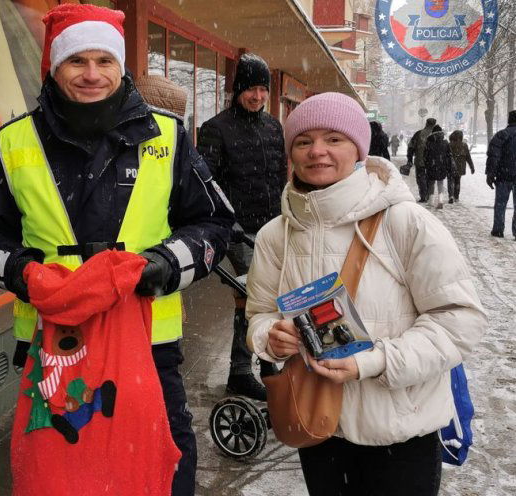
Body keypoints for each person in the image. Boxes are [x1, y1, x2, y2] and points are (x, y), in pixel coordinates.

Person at [0, 4, 234, 494]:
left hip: (147, 345)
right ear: (56, 67)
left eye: (104, 61)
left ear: (120, 66)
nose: (91, 74)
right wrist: (23, 273)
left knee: (160, 465)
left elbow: (216, 223)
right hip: (53, 347)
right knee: (57, 475)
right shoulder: (12, 142)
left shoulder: (168, 137)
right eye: (76, 61)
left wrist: (164, 264)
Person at [245, 92, 486, 495]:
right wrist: (269, 337)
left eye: (333, 139)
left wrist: (374, 361)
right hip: (317, 426)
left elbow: (460, 320)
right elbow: (260, 314)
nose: (317, 151)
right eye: (303, 141)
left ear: (357, 147)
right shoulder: (276, 235)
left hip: (400, 432)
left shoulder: (405, 221)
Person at [196, 52, 285, 401]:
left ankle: (266, 361)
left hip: (273, 226)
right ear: (237, 90)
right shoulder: (217, 129)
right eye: (251, 89)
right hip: (238, 229)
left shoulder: (273, 126)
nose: (258, 97)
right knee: (254, 295)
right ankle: (241, 369)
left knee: (273, 294)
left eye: (263, 89)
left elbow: (280, 176)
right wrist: (225, 221)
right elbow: (206, 182)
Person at [486, 110, 516, 238]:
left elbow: (494, 156)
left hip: (504, 176)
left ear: (509, 120)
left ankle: (498, 230)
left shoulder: (501, 135)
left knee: (500, 204)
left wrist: (490, 174)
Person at [407, 117, 437, 202]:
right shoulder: (437, 135)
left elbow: (411, 147)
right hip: (433, 162)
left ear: (426, 124)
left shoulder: (419, 134)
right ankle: (429, 195)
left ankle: (423, 196)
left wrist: (409, 158)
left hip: (420, 161)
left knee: (421, 178)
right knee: (430, 179)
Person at [424, 124, 453, 209]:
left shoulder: (429, 142)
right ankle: (440, 200)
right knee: (440, 183)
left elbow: (425, 155)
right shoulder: (445, 143)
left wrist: (427, 164)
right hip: (442, 165)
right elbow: (449, 155)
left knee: (431, 183)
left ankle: (431, 201)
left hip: (431, 165)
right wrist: (448, 165)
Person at [448, 130, 475, 204]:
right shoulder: (464, 145)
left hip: (450, 166)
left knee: (450, 181)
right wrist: (471, 167)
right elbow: (468, 157)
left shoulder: (450, 145)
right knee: (457, 182)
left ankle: (451, 196)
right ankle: (456, 197)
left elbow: (446, 157)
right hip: (460, 167)